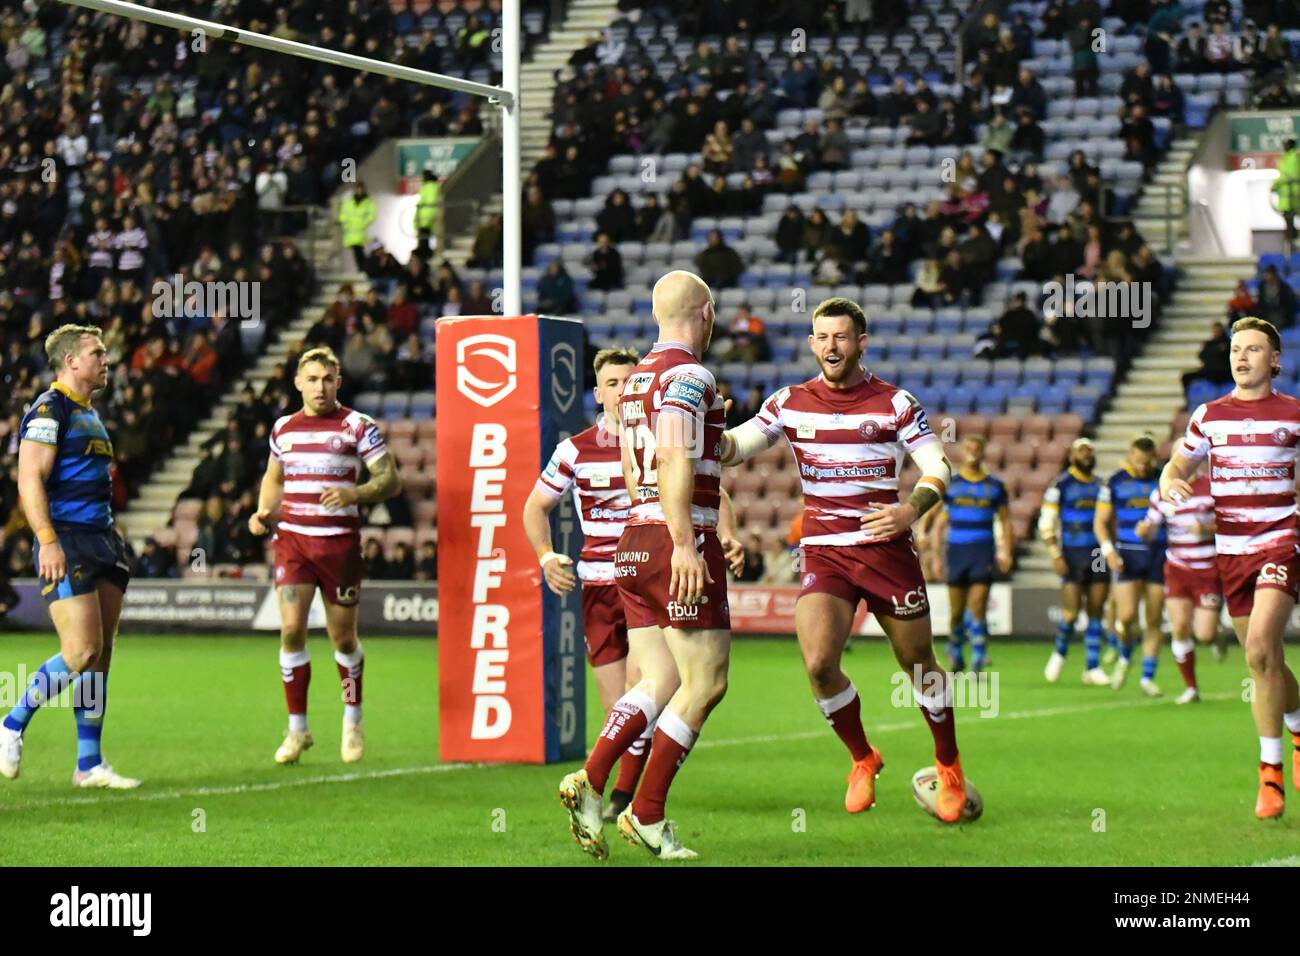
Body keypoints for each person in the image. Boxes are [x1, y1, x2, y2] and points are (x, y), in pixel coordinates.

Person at [720, 297, 974, 824]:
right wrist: (693, 431)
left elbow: (938, 466)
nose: (831, 346)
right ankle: (863, 757)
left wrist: (910, 510)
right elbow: (734, 447)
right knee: (818, 663)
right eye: (822, 337)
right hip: (825, 550)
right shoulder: (790, 401)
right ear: (811, 344)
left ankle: (948, 763)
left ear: (861, 342)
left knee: (918, 664)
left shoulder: (895, 403)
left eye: (841, 337)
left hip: (886, 550)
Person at [558, 271, 736, 861]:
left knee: (657, 681)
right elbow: (670, 456)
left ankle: (590, 777)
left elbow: (640, 469)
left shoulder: (635, 384)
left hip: (632, 539)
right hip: (674, 541)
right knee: (706, 681)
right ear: (704, 313)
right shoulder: (689, 374)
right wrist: (684, 541)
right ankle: (648, 813)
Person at [1159, 317, 1300, 819]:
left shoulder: (1294, 413)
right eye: (1236, 349)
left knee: (1262, 644)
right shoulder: (1210, 415)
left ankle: (1270, 775)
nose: (1241, 357)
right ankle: (1298, 728)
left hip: (1281, 543)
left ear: (1274, 360)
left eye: (1254, 350)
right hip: (1231, 553)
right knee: (1265, 662)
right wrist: (1168, 481)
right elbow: (1178, 465)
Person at [248, 346, 403, 766]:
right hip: (293, 544)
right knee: (291, 632)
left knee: (343, 638)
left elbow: (389, 480)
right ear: (298, 382)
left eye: (328, 379)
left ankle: (352, 720)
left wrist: (356, 493)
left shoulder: (357, 425)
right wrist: (264, 511)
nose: (320, 386)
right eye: (312, 379)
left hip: (339, 547)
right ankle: (298, 731)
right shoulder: (283, 429)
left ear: (339, 381)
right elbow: (273, 475)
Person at [0, 324, 140, 788]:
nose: (105, 360)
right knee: (79, 651)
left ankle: (89, 764)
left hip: (102, 540)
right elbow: (29, 479)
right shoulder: (49, 408)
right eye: (96, 353)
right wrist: (48, 538)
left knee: (99, 657)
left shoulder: (91, 413)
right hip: (68, 540)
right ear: (70, 362)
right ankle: (11, 725)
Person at [524, 348, 650, 821]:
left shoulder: (662, 441)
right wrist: (546, 554)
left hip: (645, 581)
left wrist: (728, 533)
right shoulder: (574, 449)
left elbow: (712, 491)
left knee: (643, 688)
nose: (623, 391)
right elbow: (533, 507)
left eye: (631, 382)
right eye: (613, 384)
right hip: (596, 585)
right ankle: (615, 795)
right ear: (598, 393)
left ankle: (620, 801)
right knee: (617, 706)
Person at [922, 435, 1013, 672]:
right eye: (969, 448)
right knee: (956, 612)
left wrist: (1007, 551)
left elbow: (1006, 522)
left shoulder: (995, 486)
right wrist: (930, 549)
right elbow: (933, 516)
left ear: (983, 453)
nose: (973, 452)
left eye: (977, 448)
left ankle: (979, 657)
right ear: (963, 452)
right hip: (956, 551)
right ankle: (955, 650)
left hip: (982, 552)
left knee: (979, 605)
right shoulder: (952, 483)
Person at [1137, 465, 1224, 704]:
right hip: (1176, 568)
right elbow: (1151, 526)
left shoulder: (1212, 487)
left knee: (1203, 634)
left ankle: (1215, 635)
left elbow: (1231, 523)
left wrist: (1206, 529)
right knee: (1179, 627)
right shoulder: (1162, 492)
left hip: (1207, 569)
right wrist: (1144, 530)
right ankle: (1191, 688)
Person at [1094, 436, 1166, 695]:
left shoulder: (1163, 478)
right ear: (1130, 455)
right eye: (1138, 461)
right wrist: (1108, 551)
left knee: (1154, 619)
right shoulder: (1114, 482)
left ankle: (1148, 677)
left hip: (1159, 553)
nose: (1143, 467)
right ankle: (1125, 656)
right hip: (1127, 554)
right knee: (1125, 618)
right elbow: (1100, 521)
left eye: (1147, 462)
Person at [1040, 438, 1112, 685]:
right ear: (1072, 455)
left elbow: (1109, 520)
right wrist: (1055, 553)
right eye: (1082, 451)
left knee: (1096, 609)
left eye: (1090, 451)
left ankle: (1092, 666)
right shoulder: (1060, 484)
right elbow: (1046, 521)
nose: (1087, 455)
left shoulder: (1101, 485)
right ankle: (1059, 654)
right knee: (1071, 612)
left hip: (1097, 553)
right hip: (1072, 552)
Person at [338, 182, 377, 272]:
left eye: (360, 189)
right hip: (351, 230)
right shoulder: (349, 202)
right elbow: (343, 214)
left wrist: (363, 222)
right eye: (357, 189)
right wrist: (345, 223)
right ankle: (363, 267)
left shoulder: (368, 202)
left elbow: (371, 215)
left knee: (358, 250)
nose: (359, 191)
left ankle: (363, 267)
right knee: (357, 251)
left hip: (359, 230)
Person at [1273, 138, 1300, 250]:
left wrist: (1274, 186)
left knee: (1291, 217)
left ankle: (1293, 240)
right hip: (1287, 196)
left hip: (1293, 195)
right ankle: (1292, 241)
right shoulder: (1285, 158)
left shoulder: (1294, 158)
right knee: (1288, 219)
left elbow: (1287, 175)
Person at [414, 169, 440, 259]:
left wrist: (423, 219)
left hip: (425, 218)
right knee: (424, 240)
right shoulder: (431, 186)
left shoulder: (429, 187)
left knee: (424, 240)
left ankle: (425, 256)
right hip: (425, 217)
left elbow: (430, 203)